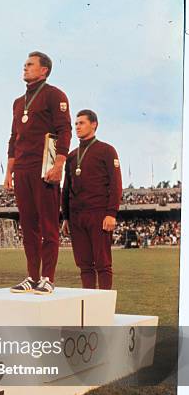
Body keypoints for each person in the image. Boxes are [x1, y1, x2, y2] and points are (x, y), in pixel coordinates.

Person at [4, 51, 72, 294]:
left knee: (48, 225)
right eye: (25, 63)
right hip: (22, 169)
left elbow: (65, 130)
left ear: (44, 70)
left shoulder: (55, 95)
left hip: (44, 168)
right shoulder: (18, 102)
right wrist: (8, 172)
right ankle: (32, 276)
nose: (25, 67)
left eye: (30, 64)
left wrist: (59, 164)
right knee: (28, 225)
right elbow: (13, 138)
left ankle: (48, 277)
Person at [62, 110, 122, 290]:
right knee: (84, 265)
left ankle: (103, 308)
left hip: (98, 213)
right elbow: (66, 188)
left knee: (103, 264)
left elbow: (116, 184)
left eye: (81, 123)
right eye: (76, 124)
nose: (77, 127)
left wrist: (111, 213)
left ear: (94, 124)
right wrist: (66, 216)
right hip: (76, 216)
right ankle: (89, 305)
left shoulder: (106, 150)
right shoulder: (72, 156)